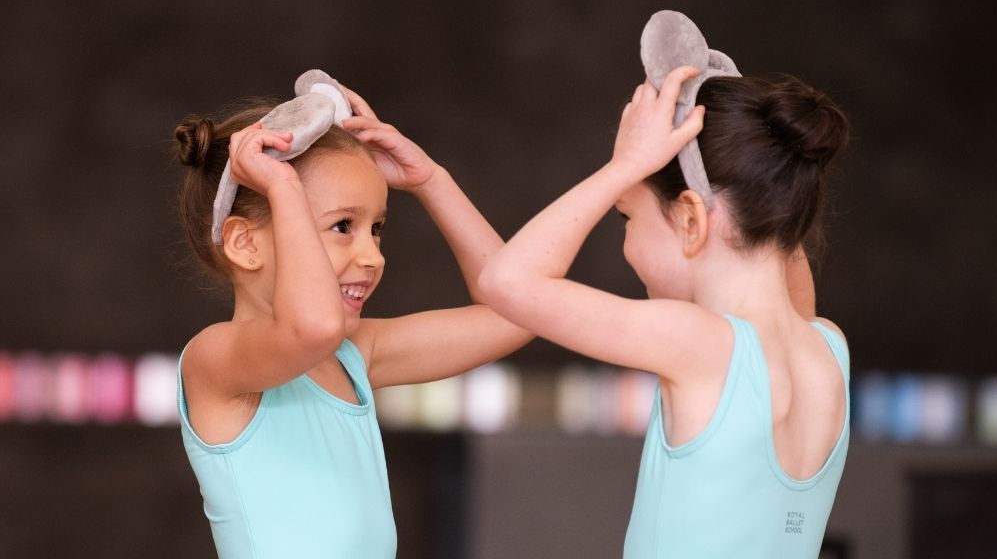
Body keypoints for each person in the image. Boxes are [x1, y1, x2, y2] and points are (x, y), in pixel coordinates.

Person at [479, 64, 850, 557]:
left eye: (627, 216)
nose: (626, 242)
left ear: (692, 218)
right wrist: (759, 153)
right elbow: (783, 263)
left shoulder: (697, 343)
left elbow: (505, 281)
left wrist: (625, 166)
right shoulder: (827, 348)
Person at [172, 80, 530, 558]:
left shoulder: (354, 355)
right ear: (246, 243)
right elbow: (312, 328)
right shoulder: (214, 361)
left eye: (376, 229)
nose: (373, 256)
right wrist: (282, 184)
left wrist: (431, 181)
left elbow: (518, 312)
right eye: (343, 226)